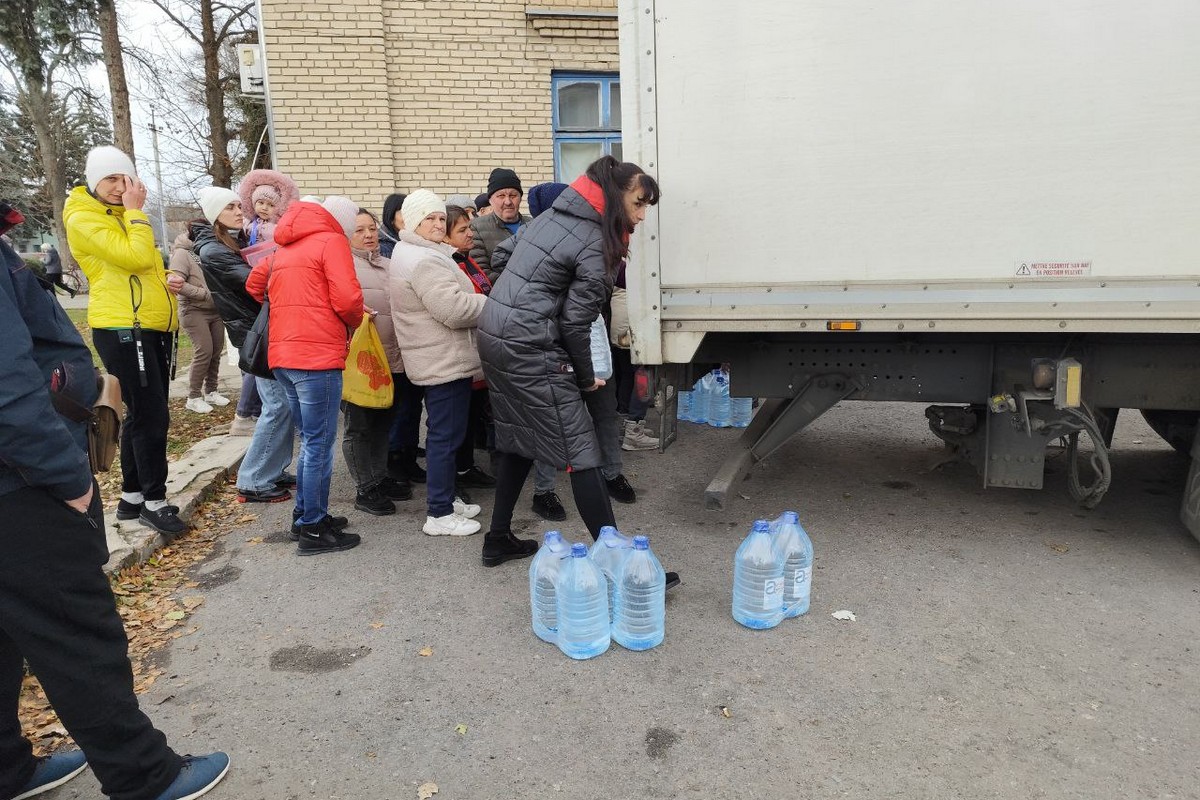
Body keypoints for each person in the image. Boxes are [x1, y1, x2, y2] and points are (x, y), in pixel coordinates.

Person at [0, 203, 230, 800]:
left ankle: (6, 768)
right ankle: (143, 776)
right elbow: (6, 387)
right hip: (20, 485)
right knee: (77, 632)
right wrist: (68, 478)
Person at [476, 155, 677, 584]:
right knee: (582, 450)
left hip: (497, 333)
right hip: (532, 345)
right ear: (615, 195)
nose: (642, 216)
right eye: (639, 204)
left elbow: (507, 255)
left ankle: (497, 539)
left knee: (516, 439)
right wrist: (585, 377)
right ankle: (624, 570)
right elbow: (575, 322)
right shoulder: (594, 240)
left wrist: (520, 296)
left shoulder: (555, 214)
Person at [63, 145, 186, 536]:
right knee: (151, 416)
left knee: (143, 413)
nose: (120, 187)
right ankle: (155, 501)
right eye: (111, 179)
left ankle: (133, 498)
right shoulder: (84, 217)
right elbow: (132, 258)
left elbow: (140, 268)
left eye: (125, 178)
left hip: (147, 326)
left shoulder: (121, 217)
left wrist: (167, 282)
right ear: (93, 181)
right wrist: (135, 211)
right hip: (122, 328)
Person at [246, 197, 365, 555]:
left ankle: (306, 517)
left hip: (282, 356)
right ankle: (313, 527)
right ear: (337, 222)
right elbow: (346, 299)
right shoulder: (331, 242)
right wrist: (353, 321)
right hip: (317, 357)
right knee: (318, 444)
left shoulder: (284, 246)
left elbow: (254, 285)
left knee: (309, 440)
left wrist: (287, 305)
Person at [389, 190, 485, 537]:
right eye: (428, 218)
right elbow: (455, 310)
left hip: (436, 356)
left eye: (440, 218)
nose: (437, 224)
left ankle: (444, 498)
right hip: (443, 359)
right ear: (414, 221)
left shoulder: (414, 251)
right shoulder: (424, 260)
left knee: (447, 434)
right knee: (446, 437)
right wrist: (491, 304)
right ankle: (440, 513)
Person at [193, 186, 297, 506]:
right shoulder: (214, 251)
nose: (240, 211)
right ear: (215, 215)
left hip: (260, 329)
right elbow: (256, 281)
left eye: (239, 205)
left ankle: (272, 469)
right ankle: (252, 479)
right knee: (277, 405)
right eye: (230, 207)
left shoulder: (232, 242)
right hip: (253, 334)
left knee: (281, 405)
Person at [343, 209, 412, 516]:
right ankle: (364, 487)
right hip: (362, 362)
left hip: (393, 357)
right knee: (359, 426)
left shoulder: (389, 264)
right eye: (360, 230)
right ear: (346, 235)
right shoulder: (343, 266)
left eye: (372, 228)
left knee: (384, 422)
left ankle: (379, 477)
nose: (369, 235)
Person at [444, 204, 496, 491]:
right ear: (446, 236)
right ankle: (454, 477)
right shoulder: (450, 264)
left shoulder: (468, 260)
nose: (470, 235)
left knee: (471, 418)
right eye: (462, 230)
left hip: (480, 351)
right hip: (463, 353)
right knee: (457, 424)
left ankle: (466, 467)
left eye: (470, 228)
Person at [167, 222, 229, 414]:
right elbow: (175, 284)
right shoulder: (183, 253)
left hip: (215, 310)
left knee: (216, 351)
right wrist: (205, 294)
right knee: (204, 351)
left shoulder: (209, 250)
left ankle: (211, 391)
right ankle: (193, 397)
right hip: (194, 310)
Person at [609, 262, 661, 451]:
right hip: (631, 321)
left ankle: (624, 425)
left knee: (627, 375)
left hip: (618, 323)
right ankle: (634, 431)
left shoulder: (613, 258)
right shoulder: (631, 260)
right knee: (644, 374)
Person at [469, 168, 530, 282]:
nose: (508, 202)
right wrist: (517, 284)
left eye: (513, 195)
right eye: (501, 196)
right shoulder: (476, 228)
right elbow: (480, 271)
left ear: (520, 198)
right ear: (490, 200)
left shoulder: (533, 225)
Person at [237, 169, 300, 246]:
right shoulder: (247, 222)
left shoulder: (279, 225)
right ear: (253, 203)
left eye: (271, 205)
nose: (264, 208)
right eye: (261, 203)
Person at [378, 192, 407, 259]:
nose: (409, 218)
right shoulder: (384, 249)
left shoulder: (406, 239)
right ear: (391, 217)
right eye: (404, 213)